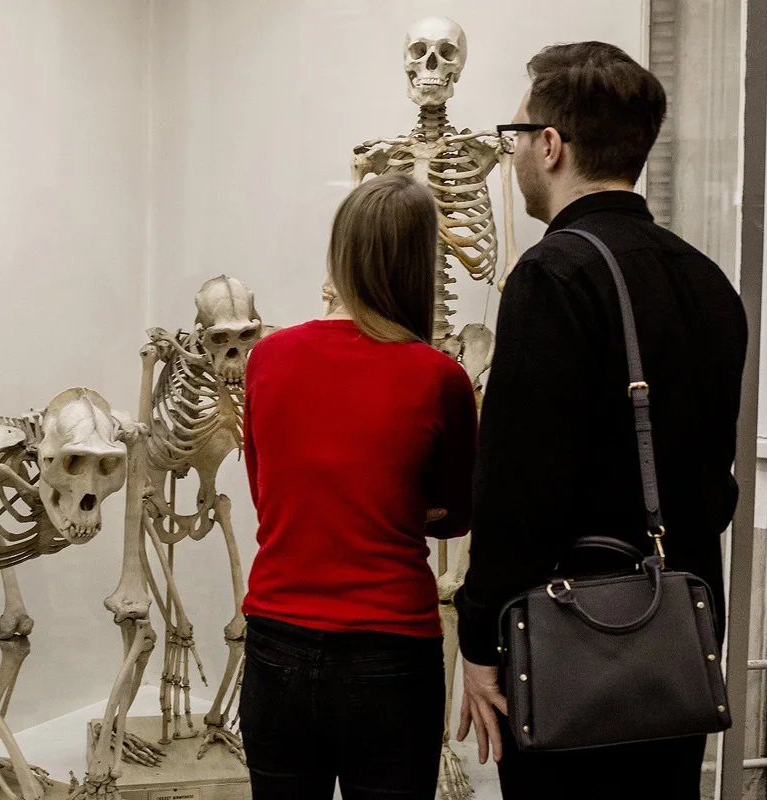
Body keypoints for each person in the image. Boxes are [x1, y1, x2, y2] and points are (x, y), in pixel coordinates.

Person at [453, 41, 748, 798]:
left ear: (551, 146)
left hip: (576, 644)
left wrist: (479, 637)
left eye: (518, 134)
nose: (516, 152)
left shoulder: (552, 275)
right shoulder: (708, 281)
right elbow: (714, 485)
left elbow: (517, 488)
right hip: (677, 643)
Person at [239, 173, 479, 800]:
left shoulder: (267, 358)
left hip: (277, 645)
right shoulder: (439, 378)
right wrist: (394, 502)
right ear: (419, 264)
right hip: (391, 653)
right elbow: (456, 517)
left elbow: (269, 497)